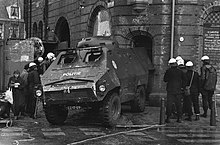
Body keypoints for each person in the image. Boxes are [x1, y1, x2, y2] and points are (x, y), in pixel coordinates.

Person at [164, 58, 186, 123]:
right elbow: (185, 80)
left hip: (170, 90)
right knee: (178, 104)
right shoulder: (180, 71)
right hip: (178, 90)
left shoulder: (168, 71)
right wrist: (182, 87)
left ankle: (168, 117)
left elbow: (165, 79)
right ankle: (179, 118)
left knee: (169, 104)